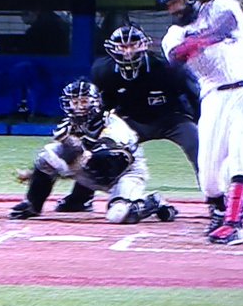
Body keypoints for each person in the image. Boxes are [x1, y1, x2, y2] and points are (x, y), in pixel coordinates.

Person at [158, 0, 243, 246]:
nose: (173, 8)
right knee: (208, 176)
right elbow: (176, 57)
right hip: (214, 97)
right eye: (168, 4)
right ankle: (219, 211)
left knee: (239, 152)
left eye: (175, 1)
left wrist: (199, 39)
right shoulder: (173, 35)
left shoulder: (223, 5)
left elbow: (225, 27)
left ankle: (234, 224)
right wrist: (193, 43)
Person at [54, 23, 202, 214]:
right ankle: (81, 197)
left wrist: (201, 121)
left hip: (172, 118)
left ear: (143, 45)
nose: (128, 51)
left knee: (197, 145)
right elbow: (101, 104)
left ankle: (216, 198)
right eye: (123, 46)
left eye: (132, 45)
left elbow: (193, 96)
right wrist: (95, 130)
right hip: (130, 121)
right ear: (113, 48)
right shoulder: (103, 70)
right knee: (94, 146)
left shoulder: (166, 68)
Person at [9, 80, 178, 225]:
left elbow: (113, 160)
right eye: (75, 103)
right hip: (92, 167)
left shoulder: (112, 125)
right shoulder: (67, 126)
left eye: (83, 102)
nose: (78, 107)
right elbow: (66, 159)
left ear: (95, 102)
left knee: (118, 214)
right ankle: (34, 204)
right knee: (47, 155)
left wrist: (80, 157)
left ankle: (153, 202)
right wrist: (36, 174)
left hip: (124, 172)